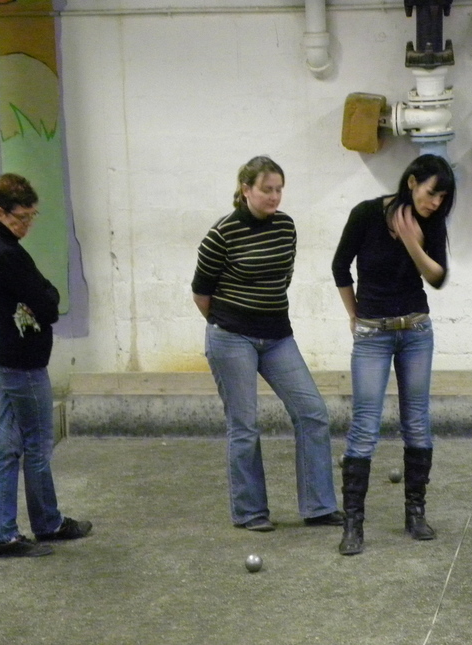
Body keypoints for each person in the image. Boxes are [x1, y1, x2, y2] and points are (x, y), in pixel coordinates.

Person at [191, 155, 342, 532]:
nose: (274, 197)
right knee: (244, 425)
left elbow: (281, 278)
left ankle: (319, 506)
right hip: (231, 337)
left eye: (279, 189)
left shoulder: (286, 227)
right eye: (266, 189)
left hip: (277, 336)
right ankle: (250, 511)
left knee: (312, 412)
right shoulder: (221, 234)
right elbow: (201, 294)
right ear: (246, 190)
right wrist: (230, 323)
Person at [331, 153, 456, 555]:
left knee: (416, 422)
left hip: (416, 330)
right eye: (431, 193)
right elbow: (339, 267)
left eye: (442, 198)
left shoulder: (430, 223)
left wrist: (412, 243)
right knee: (365, 425)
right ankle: (353, 524)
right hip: (374, 334)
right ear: (412, 181)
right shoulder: (366, 214)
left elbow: (437, 277)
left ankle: (415, 512)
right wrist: (355, 315)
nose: (435, 203)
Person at [0, 173, 92, 558]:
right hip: (23, 366)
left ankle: (3, 534)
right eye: (20, 217)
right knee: (38, 446)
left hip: (12, 359)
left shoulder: (3, 246)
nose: (27, 224)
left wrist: (45, 296)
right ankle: (47, 524)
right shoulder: (5, 252)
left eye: (32, 216)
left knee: (9, 449)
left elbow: (46, 296)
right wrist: (44, 297)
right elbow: (47, 305)